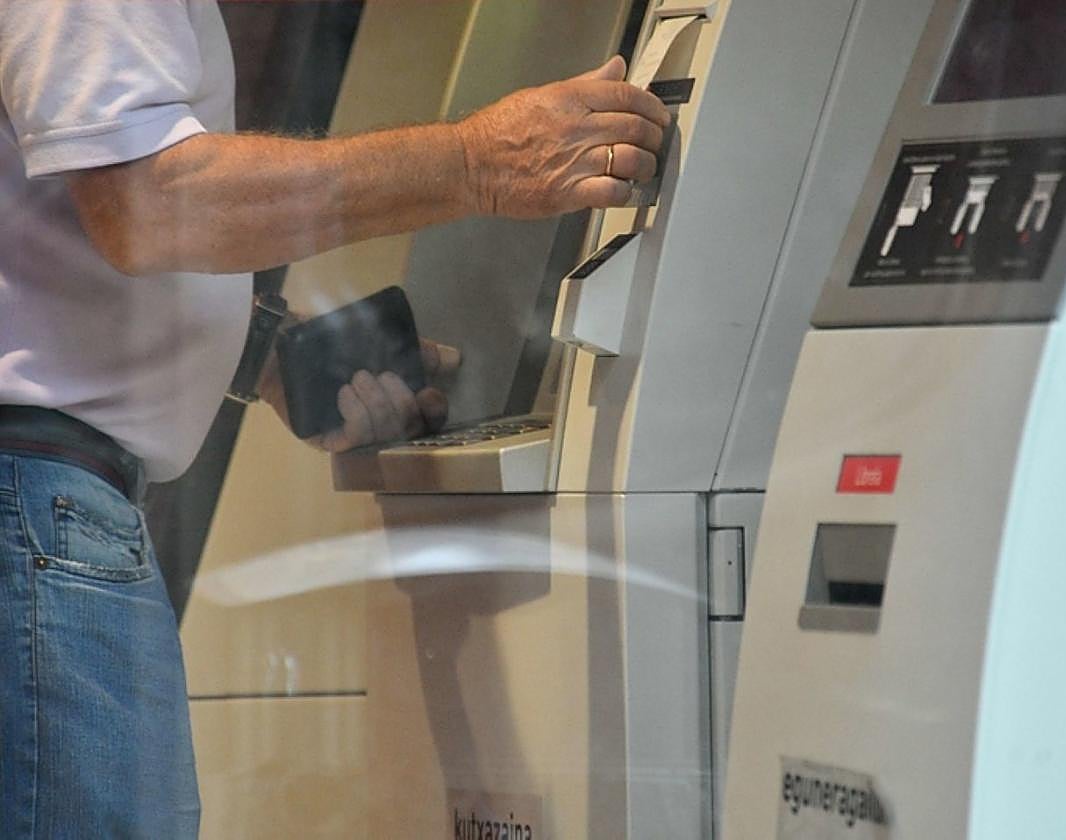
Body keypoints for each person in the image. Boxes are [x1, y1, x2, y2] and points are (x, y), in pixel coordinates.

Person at [0, 1, 670, 836]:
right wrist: (479, 160)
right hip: (38, 507)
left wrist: (262, 356)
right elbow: (146, 201)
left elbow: (62, 218)